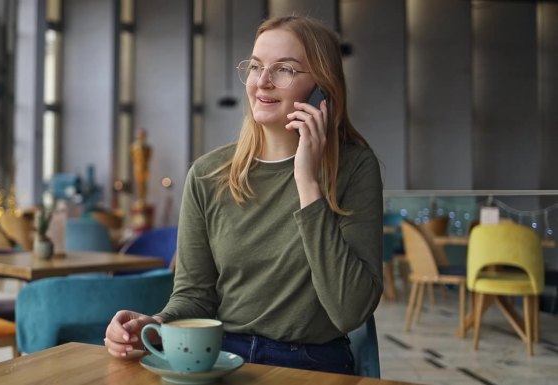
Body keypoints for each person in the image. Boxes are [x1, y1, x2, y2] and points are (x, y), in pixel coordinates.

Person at [105, 15, 383, 375]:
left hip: (313, 363)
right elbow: (194, 297)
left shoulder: (355, 168)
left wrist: (307, 181)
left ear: (323, 89)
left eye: (284, 69)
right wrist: (153, 325)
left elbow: (350, 311)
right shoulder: (207, 174)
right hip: (220, 358)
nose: (262, 82)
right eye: (255, 66)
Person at [130, 128, 152, 205]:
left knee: (145, 184)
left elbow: (149, 156)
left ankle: (143, 199)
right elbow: (132, 156)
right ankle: (139, 198)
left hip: (145, 168)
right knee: (138, 183)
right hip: (137, 168)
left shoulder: (147, 147)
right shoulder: (134, 146)